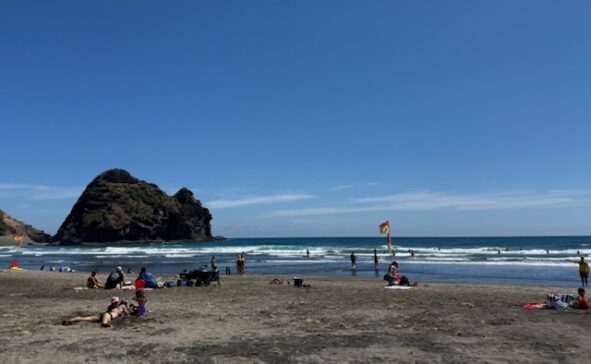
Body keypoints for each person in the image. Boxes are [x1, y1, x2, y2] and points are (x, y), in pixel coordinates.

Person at [62, 296, 129, 327]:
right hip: (108, 315)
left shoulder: (112, 306)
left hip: (104, 315)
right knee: (88, 319)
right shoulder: (122, 306)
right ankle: (70, 320)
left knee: (86, 318)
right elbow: (127, 314)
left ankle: (70, 320)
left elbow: (126, 313)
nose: (115, 303)